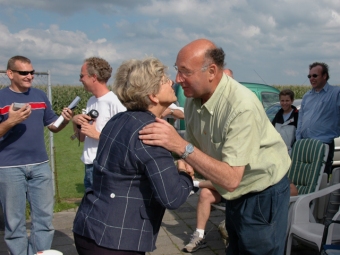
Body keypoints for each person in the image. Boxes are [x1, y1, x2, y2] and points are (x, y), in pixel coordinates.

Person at [139, 39, 291, 254]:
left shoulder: (241, 106)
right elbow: (193, 149)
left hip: (261, 192)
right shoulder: (194, 99)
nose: (177, 79)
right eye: (177, 70)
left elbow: (230, 178)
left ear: (211, 71)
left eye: (185, 72)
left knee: (258, 250)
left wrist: (180, 146)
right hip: (235, 192)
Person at [73, 57, 194, 255]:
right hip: (117, 240)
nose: (172, 82)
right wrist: (185, 175)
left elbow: (130, 167)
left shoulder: (118, 119)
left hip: (88, 226)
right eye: (165, 80)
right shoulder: (152, 133)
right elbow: (172, 197)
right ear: (153, 96)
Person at [0, 55, 73, 255]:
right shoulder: (1, 98)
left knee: (44, 219)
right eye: (24, 73)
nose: (29, 76)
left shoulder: (40, 96)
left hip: (40, 165)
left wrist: (64, 120)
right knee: (14, 222)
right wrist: (10, 121)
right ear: (10, 74)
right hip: (9, 168)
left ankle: (40, 253)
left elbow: (53, 127)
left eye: (31, 72)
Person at [183, 67, 235, 252]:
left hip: (239, 183)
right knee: (206, 194)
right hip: (220, 181)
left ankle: (195, 185)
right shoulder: (200, 109)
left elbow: (234, 177)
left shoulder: (236, 111)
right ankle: (199, 235)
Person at [72, 57, 126, 190]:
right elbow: (81, 137)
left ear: (94, 77)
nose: (80, 80)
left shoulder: (115, 102)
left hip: (104, 166)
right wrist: (75, 121)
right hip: (89, 164)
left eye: (82, 75)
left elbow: (124, 140)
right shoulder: (91, 101)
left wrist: (96, 135)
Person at [296, 62, 340, 176]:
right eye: (309, 76)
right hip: (305, 144)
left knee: (320, 179)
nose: (311, 78)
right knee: (305, 177)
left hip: (323, 144)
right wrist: (298, 140)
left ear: (324, 76)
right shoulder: (307, 96)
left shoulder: (335, 93)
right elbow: (301, 119)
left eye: (315, 75)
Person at [272, 89, 299, 155]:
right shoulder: (278, 115)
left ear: (292, 101)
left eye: (287, 101)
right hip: (277, 152)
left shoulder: (297, 116)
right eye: (282, 101)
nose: (284, 103)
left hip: (291, 153)